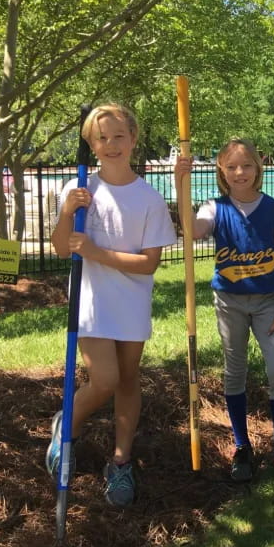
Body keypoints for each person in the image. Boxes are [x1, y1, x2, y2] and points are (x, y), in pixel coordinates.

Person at [47, 104, 177, 506]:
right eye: (101, 138)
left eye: (119, 136)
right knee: (103, 379)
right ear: (91, 144)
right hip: (91, 301)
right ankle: (66, 425)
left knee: (127, 380)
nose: (111, 144)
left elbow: (149, 264)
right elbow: (58, 247)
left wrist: (96, 251)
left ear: (134, 139)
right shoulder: (80, 188)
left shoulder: (149, 199)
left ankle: (120, 462)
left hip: (132, 303)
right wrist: (68, 213)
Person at [174, 139, 274, 485]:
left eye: (246, 165)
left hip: (267, 303)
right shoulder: (214, 208)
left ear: (258, 168)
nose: (240, 172)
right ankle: (242, 447)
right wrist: (180, 184)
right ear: (221, 170)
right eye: (232, 166)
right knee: (234, 371)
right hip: (229, 302)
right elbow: (193, 231)